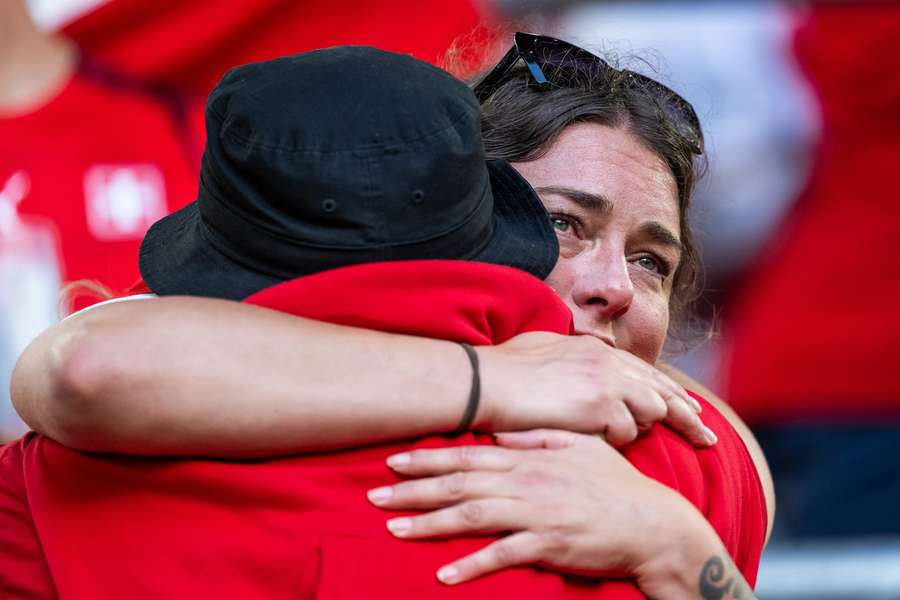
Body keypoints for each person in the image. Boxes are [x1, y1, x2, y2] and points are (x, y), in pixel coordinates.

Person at [9, 36, 770, 598]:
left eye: (652, 262)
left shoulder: (686, 460)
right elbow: (91, 367)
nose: (615, 288)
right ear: (477, 227)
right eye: (563, 225)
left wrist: (675, 543)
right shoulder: (695, 465)